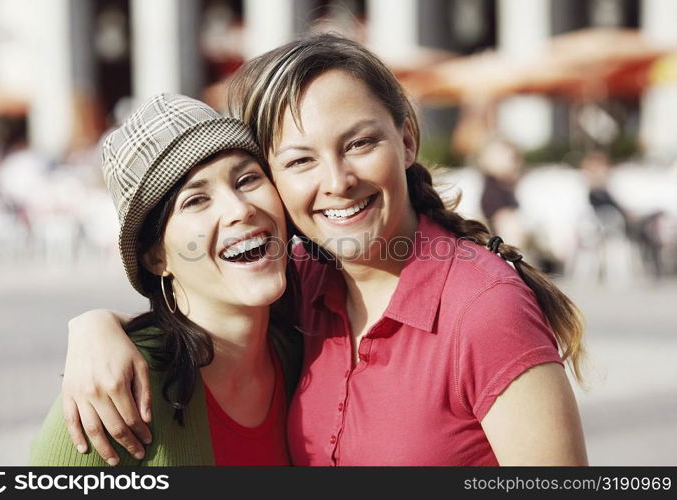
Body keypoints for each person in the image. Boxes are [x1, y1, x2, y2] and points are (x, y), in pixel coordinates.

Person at [61, 34, 588, 466]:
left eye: (359, 143)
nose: (337, 180)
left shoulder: (484, 308)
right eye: (300, 161)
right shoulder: (303, 283)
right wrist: (94, 326)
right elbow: (208, 304)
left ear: (406, 139)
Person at [29, 93, 302, 466]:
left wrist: (93, 322)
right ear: (155, 256)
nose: (240, 209)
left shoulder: (302, 349)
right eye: (196, 201)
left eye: (247, 179)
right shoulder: (111, 402)